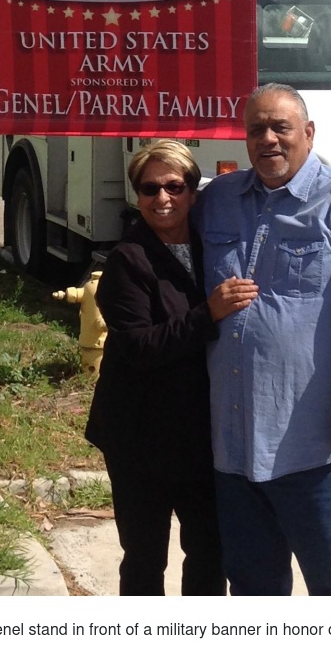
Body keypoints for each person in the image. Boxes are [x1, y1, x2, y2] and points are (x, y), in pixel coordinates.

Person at [193, 83, 331, 597]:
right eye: (256, 130)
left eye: (280, 127)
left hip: (315, 448)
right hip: (233, 445)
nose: (268, 139)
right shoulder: (218, 200)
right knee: (252, 587)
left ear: (308, 133)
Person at [84, 141, 258, 596]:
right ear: (137, 196)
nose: (162, 198)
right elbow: (140, 347)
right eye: (150, 189)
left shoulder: (209, 246)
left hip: (198, 434)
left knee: (209, 551)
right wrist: (208, 313)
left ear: (192, 192)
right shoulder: (128, 259)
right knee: (145, 557)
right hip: (139, 437)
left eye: (174, 187)